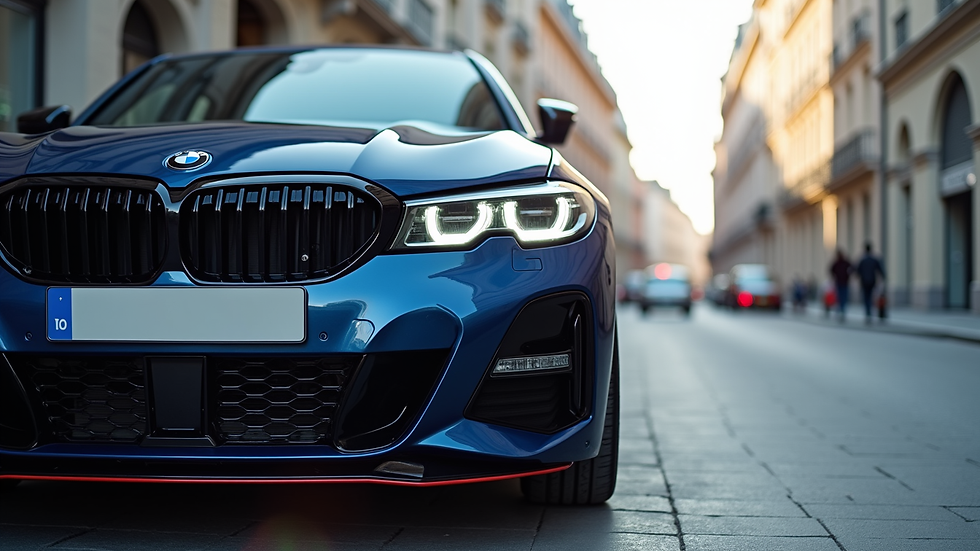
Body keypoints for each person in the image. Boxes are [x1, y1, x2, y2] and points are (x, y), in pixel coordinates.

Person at [856, 242, 886, 323]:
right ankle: (870, 311)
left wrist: (857, 275)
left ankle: (868, 312)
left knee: (866, 297)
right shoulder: (874, 259)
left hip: (864, 281)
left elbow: (858, 270)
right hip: (872, 281)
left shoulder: (862, 259)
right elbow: (880, 269)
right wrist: (884, 276)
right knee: (870, 296)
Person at [829, 250, 852, 322]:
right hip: (843, 282)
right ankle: (841, 310)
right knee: (842, 297)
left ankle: (841, 310)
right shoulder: (842, 262)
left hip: (841, 282)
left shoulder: (838, 262)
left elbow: (831, 270)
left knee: (840, 297)